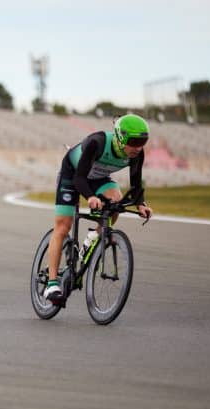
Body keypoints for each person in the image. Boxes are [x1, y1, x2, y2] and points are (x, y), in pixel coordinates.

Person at [43, 114, 153, 302]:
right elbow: (79, 179)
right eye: (134, 141)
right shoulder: (98, 142)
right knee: (63, 226)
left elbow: (135, 184)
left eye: (142, 142)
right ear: (119, 137)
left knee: (116, 201)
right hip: (73, 174)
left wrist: (141, 204)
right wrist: (90, 197)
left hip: (98, 178)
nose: (138, 147)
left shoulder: (137, 154)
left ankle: (93, 237)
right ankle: (52, 284)